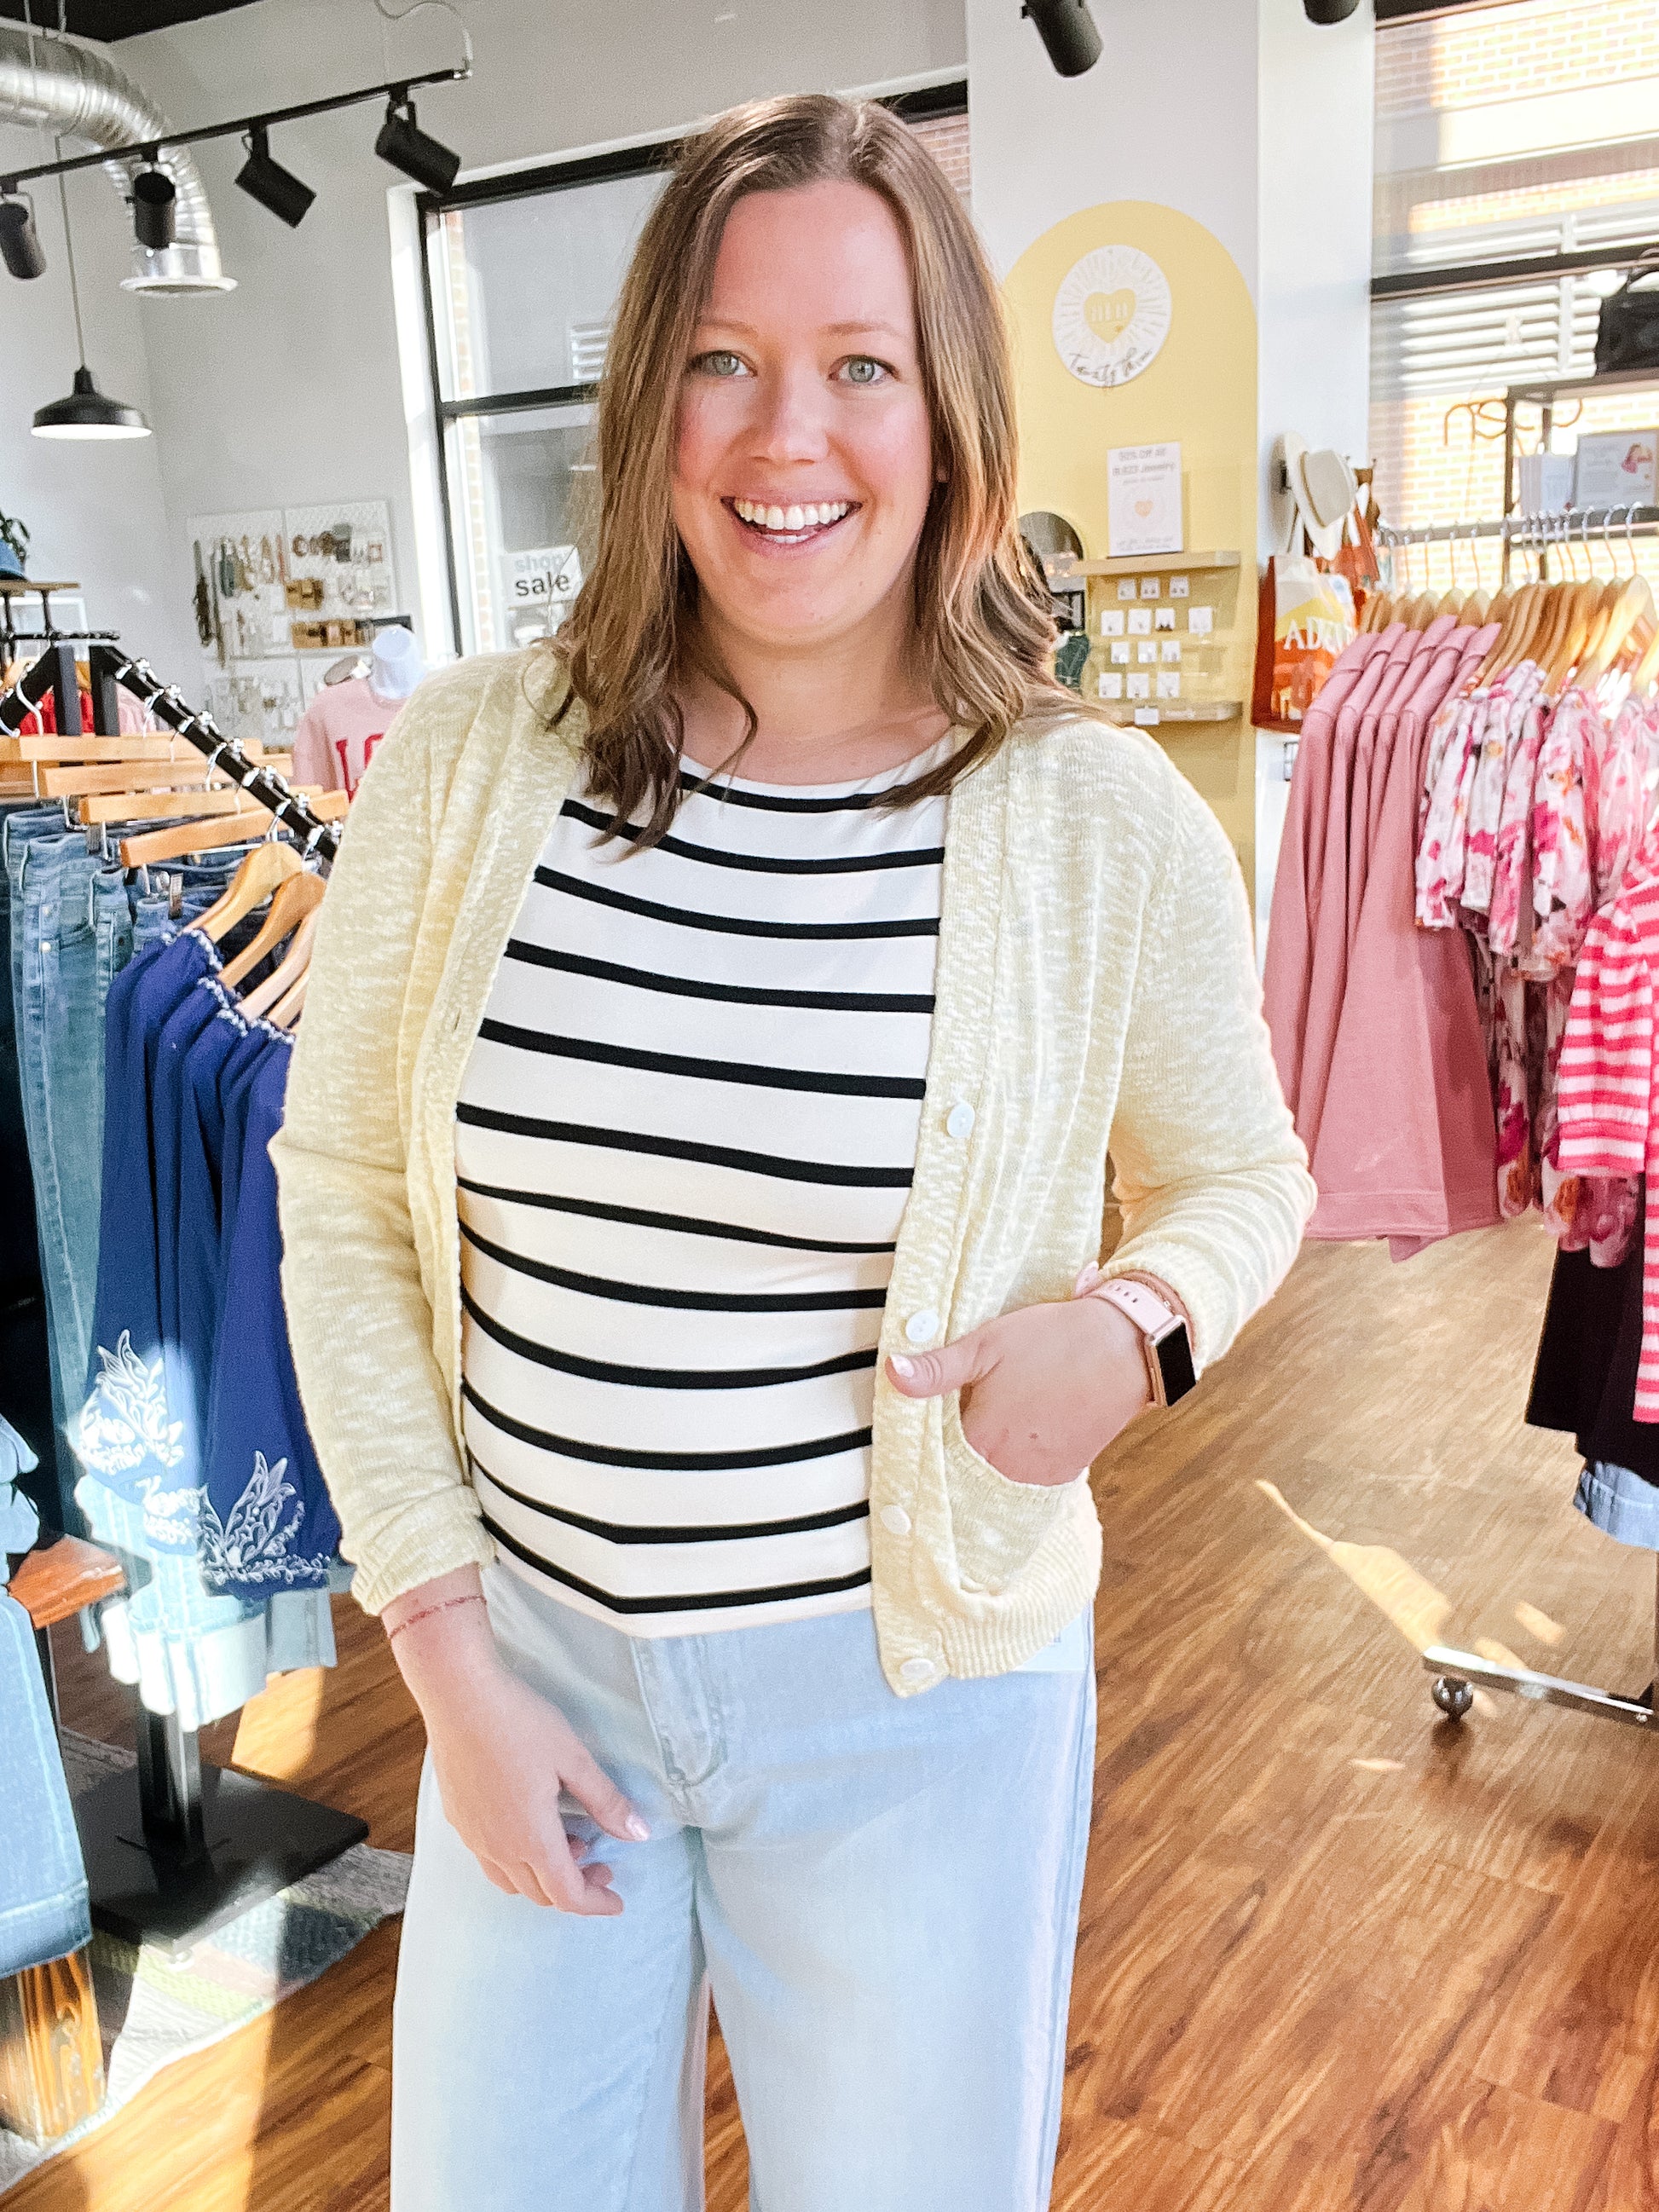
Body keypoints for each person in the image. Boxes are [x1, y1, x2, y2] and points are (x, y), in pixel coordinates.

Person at [272, 91, 1314, 2212]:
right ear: (647, 401)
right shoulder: (472, 760)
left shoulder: (1094, 816)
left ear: (951, 418)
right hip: (527, 1666)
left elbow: (1245, 1175)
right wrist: (446, 1659)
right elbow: (344, 1194)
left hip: (912, 1703)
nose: (785, 436)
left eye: (860, 365)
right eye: (723, 362)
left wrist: (1133, 1324)